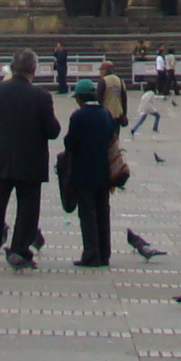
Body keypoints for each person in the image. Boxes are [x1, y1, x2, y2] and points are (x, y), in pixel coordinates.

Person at [0, 49, 59, 268]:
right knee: (28, 209)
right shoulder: (41, 96)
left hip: (0, 159)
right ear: (34, 70)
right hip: (30, 161)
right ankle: (19, 249)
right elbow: (53, 131)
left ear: (12, 68)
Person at [60, 75, 119, 266]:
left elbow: (70, 143)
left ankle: (91, 254)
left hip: (84, 173)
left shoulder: (78, 116)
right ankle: (104, 254)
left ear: (79, 97)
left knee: (88, 215)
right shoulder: (105, 113)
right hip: (104, 172)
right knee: (103, 212)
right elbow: (112, 137)